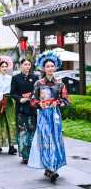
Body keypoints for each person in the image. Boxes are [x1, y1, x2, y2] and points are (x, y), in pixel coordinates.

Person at [28, 51, 69, 182]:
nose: (50, 68)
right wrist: (40, 104)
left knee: (56, 140)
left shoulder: (60, 84)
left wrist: (56, 103)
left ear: (56, 67)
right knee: (46, 140)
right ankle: (48, 168)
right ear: (43, 68)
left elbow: (66, 100)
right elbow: (32, 99)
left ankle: (53, 167)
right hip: (43, 116)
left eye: (52, 66)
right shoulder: (38, 84)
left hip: (55, 116)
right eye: (48, 66)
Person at [11, 59, 38, 164]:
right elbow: (12, 93)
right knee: (23, 132)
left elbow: (37, 91)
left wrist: (31, 96)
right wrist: (20, 98)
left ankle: (32, 154)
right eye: (25, 64)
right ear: (21, 65)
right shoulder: (15, 78)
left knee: (32, 131)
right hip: (21, 108)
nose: (27, 66)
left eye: (29, 64)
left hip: (32, 108)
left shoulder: (35, 78)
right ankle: (24, 155)